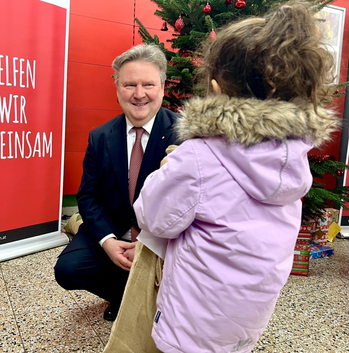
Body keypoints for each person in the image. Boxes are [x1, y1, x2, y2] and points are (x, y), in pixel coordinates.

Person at [131, 1, 340, 352]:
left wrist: (169, 169)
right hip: (247, 320)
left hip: (193, 321)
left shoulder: (200, 157)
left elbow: (152, 217)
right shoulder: (293, 158)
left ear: (215, 88)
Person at [54, 44, 179, 321]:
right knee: (69, 269)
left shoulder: (184, 134)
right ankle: (124, 296)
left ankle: (157, 303)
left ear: (161, 86)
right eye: (129, 85)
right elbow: (88, 197)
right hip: (115, 231)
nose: (139, 94)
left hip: (162, 239)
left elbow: (192, 206)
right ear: (117, 89)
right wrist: (108, 242)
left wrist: (149, 242)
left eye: (148, 84)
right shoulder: (100, 136)